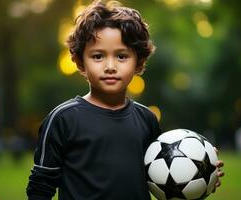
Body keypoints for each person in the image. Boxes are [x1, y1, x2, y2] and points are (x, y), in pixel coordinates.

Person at [26, 1, 224, 200]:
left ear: (138, 62)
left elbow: (164, 174)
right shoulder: (62, 119)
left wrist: (201, 171)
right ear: (80, 62)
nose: (110, 66)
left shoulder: (147, 119)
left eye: (121, 56)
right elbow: (40, 186)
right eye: (97, 56)